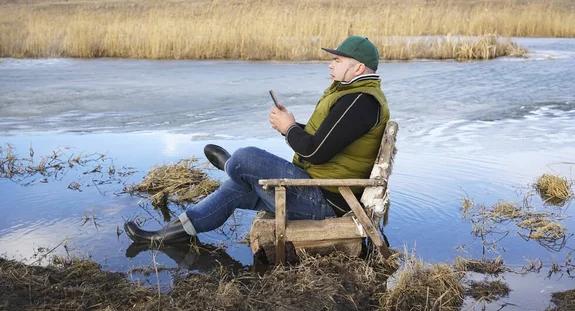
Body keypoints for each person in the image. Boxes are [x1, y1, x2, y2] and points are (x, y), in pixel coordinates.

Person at [125, 36, 390, 244]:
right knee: (235, 188)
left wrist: (288, 129)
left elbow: (315, 152)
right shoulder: (354, 95)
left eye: (339, 60)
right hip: (320, 188)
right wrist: (293, 125)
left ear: (358, 67)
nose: (331, 64)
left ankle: (232, 164)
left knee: (246, 157)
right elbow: (324, 141)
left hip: (327, 202)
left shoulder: (360, 102)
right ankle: (169, 236)